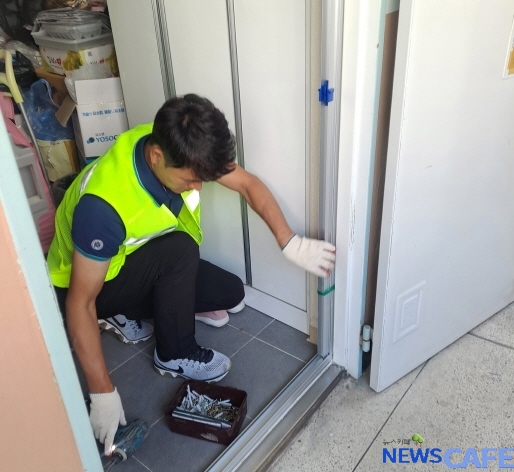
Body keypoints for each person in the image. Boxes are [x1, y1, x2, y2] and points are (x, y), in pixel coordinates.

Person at [46, 94, 336, 455]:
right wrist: (102, 391)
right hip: (90, 285)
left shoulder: (178, 144)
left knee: (230, 293)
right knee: (181, 250)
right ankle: (172, 352)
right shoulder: (102, 208)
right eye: (192, 179)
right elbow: (80, 301)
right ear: (157, 157)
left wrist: (289, 241)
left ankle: (143, 310)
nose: (198, 187)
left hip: (140, 260)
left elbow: (247, 184)